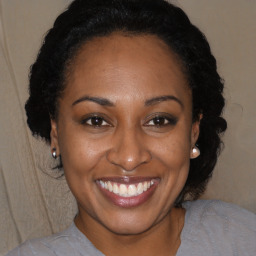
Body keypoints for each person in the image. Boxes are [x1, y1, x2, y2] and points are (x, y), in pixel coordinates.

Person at [6, 0, 256, 255]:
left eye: (158, 120)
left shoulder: (242, 238)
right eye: (96, 120)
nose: (129, 157)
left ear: (193, 132)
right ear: (56, 133)